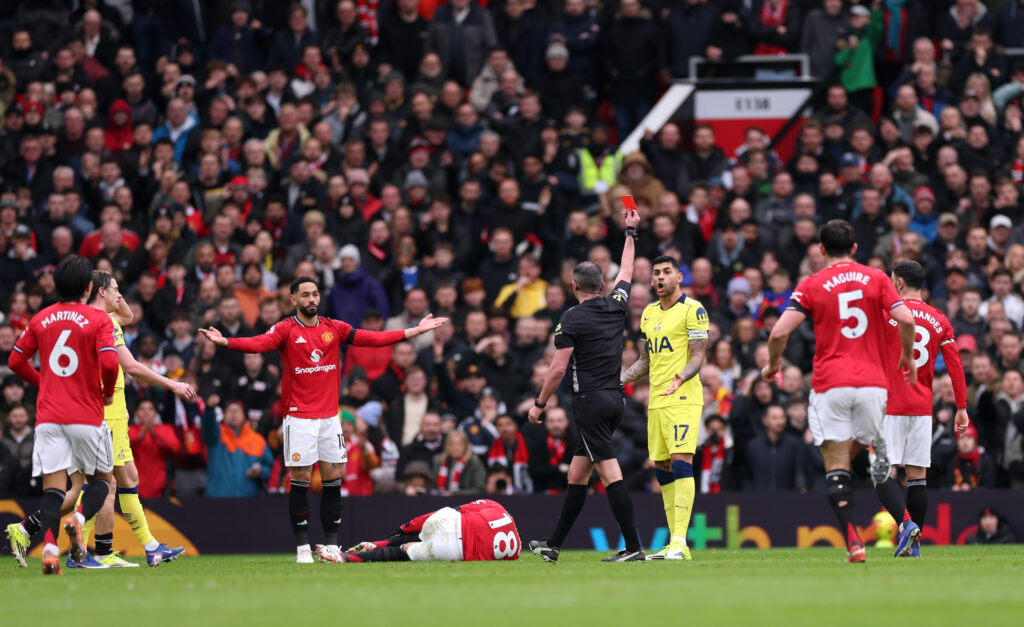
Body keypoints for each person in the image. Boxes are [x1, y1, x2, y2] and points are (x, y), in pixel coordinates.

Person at [198, 276, 448, 564]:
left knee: (333, 479)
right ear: (293, 300)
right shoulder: (285, 329)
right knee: (301, 479)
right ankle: (303, 548)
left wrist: (413, 331)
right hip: (299, 418)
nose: (312, 299)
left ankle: (331, 545)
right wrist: (226, 341)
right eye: (305, 295)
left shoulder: (333, 328)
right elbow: (258, 344)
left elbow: (372, 338)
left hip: (330, 418)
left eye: (315, 294)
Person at [762, 220, 919, 563]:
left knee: (836, 464)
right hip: (874, 385)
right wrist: (907, 356)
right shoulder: (877, 278)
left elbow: (778, 334)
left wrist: (772, 367)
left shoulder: (812, 283)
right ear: (855, 249)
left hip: (831, 384)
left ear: (820, 249)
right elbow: (906, 319)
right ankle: (905, 521)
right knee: (865, 457)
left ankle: (854, 544)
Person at [526, 199, 644, 563]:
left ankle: (634, 547)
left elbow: (558, 369)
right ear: (603, 284)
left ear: (573, 284)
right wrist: (630, 231)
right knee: (577, 475)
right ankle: (554, 545)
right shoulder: (617, 304)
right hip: (614, 399)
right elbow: (628, 268)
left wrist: (540, 403)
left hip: (590, 402)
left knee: (610, 474)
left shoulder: (571, 318)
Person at [6, 256, 119, 574]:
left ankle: (51, 551)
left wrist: (43, 382)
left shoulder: (41, 318)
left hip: (49, 418)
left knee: (54, 490)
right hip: (85, 413)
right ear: (88, 287)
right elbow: (110, 365)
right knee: (103, 481)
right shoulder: (98, 320)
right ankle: (79, 520)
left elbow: (15, 362)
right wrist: (107, 392)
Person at [621, 253, 710, 560]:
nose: (659, 277)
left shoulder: (694, 310)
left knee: (681, 461)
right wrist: (620, 380)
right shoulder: (648, 313)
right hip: (656, 401)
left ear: (678, 277)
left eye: (666, 272)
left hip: (683, 396)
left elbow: (698, 356)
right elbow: (645, 360)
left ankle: (680, 541)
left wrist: (681, 377)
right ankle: (674, 543)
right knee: (662, 467)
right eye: (655, 273)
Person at [878, 260, 970, 557]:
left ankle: (906, 526)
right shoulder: (939, 318)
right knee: (917, 476)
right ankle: (914, 546)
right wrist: (961, 406)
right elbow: (955, 365)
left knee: (881, 472)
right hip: (921, 406)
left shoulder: (887, 314)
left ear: (900, 283)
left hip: (890, 403)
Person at [322, 499, 520, 563]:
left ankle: (378, 542)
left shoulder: (493, 505)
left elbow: (451, 513)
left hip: (453, 524)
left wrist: (402, 527)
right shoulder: (517, 548)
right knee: (405, 550)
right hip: (456, 552)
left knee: (420, 531)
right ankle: (346, 559)